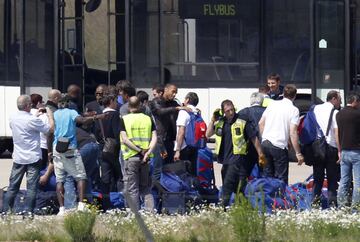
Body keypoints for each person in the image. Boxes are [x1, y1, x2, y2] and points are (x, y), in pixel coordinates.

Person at [53, 95, 105, 215]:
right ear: (67, 103)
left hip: (57, 147)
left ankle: (62, 209)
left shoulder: (56, 114)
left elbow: (52, 130)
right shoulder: (71, 112)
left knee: (60, 180)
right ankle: (81, 205)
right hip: (70, 147)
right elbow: (81, 120)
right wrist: (96, 117)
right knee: (80, 176)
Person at [206, 100, 264, 207]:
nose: (231, 113)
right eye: (228, 111)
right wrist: (212, 120)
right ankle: (245, 207)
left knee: (227, 185)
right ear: (224, 112)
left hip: (238, 158)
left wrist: (260, 153)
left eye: (232, 109)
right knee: (238, 187)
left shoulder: (242, 121)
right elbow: (208, 134)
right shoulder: (221, 122)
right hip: (225, 160)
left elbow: (253, 138)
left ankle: (223, 207)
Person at [4, 95, 54, 215]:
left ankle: (5, 212)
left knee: (13, 186)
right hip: (33, 158)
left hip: (18, 157)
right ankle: (28, 213)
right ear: (27, 105)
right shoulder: (33, 120)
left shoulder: (13, 117)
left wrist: (35, 115)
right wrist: (49, 114)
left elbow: (25, 123)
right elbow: (50, 129)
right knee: (32, 187)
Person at [259, 84, 304, 184]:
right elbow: (293, 132)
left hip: (265, 144)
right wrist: (298, 153)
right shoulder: (294, 110)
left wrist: (264, 137)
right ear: (294, 96)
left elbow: (261, 123)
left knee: (267, 177)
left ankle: (266, 198)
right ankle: (279, 198)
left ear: (283, 94)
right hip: (279, 146)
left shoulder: (272, 104)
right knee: (281, 179)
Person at [120, 96, 157, 210]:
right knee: (145, 187)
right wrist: (147, 153)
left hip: (131, 157)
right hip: (145, 159)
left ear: (128, 106)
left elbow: (125, 140)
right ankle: (150, 212)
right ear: (140, 106)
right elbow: (155, 138)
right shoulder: (148, 118)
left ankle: (135, 214)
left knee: (133, 188)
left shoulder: (124, 119)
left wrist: (139, 150)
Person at [149, 84, 191, 180]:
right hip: (160, 142)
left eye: (176, 92)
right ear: (166, 90)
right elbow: (159, 111)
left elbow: (181, 109)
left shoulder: (174, 103)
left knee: (169, 167)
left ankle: (167, 191)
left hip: (169, 140)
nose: (174, 94)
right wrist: (176, 108)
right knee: (158, 167)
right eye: (173, 91)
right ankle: (156, 191)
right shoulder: (156, 101)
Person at [312, 90, 341, 206]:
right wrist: (340, 150)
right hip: (331, 148)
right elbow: (336, 132)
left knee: (317, 178)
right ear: (334, 99)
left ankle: (315, 204)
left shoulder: (315, 108)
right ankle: (332, 204)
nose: (340, 103)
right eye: (339, 100)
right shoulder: (335, 113)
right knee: (332, 179)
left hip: (317, 147)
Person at [96, 94, 122, 210]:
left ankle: (105, 204)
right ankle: (117, 202)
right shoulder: (115, 115)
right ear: (111, 101)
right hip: (113, 150)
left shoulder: (99, 115)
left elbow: (96, 132)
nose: (116, 103)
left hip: (102, 148)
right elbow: (117, 133)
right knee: (118, 175)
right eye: (115, 101)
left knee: (105, 177)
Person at [336, 92, 360, 207]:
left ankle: (341, 206)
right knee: (358, 182)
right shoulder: (358, 114)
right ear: (355, 101)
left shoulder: (339, 114)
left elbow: (338, 133)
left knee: (344, 181)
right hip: (357, 152)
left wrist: (339, 150)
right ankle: (356, 208)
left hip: (344, 151)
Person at [238, 92, 267, 175]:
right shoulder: (268, 110)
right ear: (262, 101)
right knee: (264, 172)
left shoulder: (243, 112)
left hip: (248, 147)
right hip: (264, 145)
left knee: (245, 172)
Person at [174, 92, 201, 176]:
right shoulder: (197, 112)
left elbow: (181, 132)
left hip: (184, 146)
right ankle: (193, 188)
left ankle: (185, 188)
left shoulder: (184, 112)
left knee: (182, 173)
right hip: (195, 145)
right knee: (192, 172)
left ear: (187, 100)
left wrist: (177, 150)